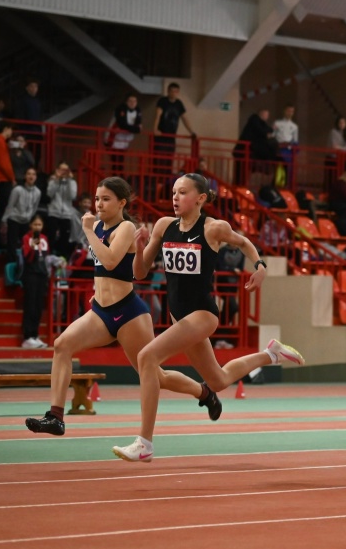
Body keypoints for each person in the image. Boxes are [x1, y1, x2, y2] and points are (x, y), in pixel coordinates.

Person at [114, 173, 304, 461]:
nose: (175, 197)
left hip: (203, 314)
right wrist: (140, 249)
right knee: (218, 381)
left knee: (147, 357)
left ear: (200, 198)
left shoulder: (214, 228)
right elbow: (139, 274)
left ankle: (145, 443)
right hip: (179, 317)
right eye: (174, 192)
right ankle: (271, 354)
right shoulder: (164, 226)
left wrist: (260, 266)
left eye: (183, 192)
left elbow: (244, 243)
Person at [23, 178, 215, 435]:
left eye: (106, 199)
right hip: (101, 312)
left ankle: (204, 392)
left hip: (129, 314)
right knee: (61, 345)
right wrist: (98, 291)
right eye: (97, 199)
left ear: (121, 203)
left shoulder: (125, 227)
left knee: (156, 375)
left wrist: (88, 232)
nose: (99, 204)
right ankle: (55, 416)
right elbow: (101, 269)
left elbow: (111, 261)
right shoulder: (98, 226)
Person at [19, 214, 51, 349]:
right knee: (30, 305)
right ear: (30, 225)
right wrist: (32, 247)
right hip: (30, 274)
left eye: (40, 225)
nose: (37, 227)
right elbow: (26, 258)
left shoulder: (44, 239)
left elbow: (46, 257)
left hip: (41, 275)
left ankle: (35, 335)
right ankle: (27, 337)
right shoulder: (26, 238)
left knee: (38, 306)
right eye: (35, 224)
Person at [153, 83, 193, 176]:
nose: (173, 93)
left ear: (178, 92)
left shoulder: (178, 104)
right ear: (168, 91)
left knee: (169, 159)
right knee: (159, 159)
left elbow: (184, 118)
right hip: (161, 136)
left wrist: (191, 132)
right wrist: (155, 129)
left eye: (176, 91)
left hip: (171, 137)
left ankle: (167, 178)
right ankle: (158, 178)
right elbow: (158, 115)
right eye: (172, 91)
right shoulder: (163, 101)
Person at [1, 167, 42, 255]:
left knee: (26, 244)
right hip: (14, 219)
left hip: (26, 221)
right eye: (29, 174)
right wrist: (4, 220)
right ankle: (11, 261)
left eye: (33, 174)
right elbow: (10, 205)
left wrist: (30, 217)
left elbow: (35, 207)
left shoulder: (38, 192)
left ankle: (24, 262)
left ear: (36, 177)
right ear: (25, 176)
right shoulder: (17, 190)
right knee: (12, 245)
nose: (31, 176)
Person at [46, 161, 81, 255]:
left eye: (66, 170)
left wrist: (69, 180)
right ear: (57, 170)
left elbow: (72, 196)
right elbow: (50, 194)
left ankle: (62, 257)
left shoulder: (72, 182)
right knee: (51, 237)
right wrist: (57, 180)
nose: (63, 172)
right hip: (53, 212)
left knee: (64, 238)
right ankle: (49, 256)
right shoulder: (53, 181)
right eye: (61, 169)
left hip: (66, 214)